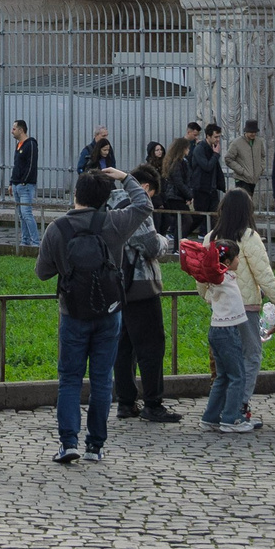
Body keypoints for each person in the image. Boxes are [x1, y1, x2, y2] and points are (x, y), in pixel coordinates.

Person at [38, 166, 153, 464]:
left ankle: (68, 443)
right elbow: (144, 205)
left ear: (76, 193)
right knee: (102, 380)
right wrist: (125, 177)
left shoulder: (57, 228)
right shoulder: (114, 222)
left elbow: (42, 272)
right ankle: (95, 446)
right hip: (109, 312)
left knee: (69, 379)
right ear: (105, 198)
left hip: (72, 313)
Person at [193, 188, 275, 432]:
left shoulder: (210, 237)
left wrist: (208, 296)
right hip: (247, 308)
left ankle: (218, 411)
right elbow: (263, 273)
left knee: (224, 365)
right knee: (250, 356)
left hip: (221, 310)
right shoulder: (250, 237)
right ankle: (238, 409)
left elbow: (201, 274)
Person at [113, 163, 178, 423]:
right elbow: (151, 245)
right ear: (145, 187)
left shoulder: (111, 203)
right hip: (140, 286)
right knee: (151, 346)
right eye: (151, 195)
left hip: (118, 286)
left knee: (124, 346)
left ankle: (126, 401)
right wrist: (166, 240)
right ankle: (153, 403)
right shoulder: (135, 207)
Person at [9, 120, 40, 247]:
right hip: (17, 184)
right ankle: (25, 240)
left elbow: (31, 165)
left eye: (14, 129)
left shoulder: (30, 144)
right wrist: (11, 182)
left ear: (21, 130)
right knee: (22, 215)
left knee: (27, 213)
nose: (12, 131)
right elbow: (17, 165)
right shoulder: (19, 145)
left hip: (25, 185)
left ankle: (35, 242)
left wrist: (24, 181)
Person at [225, 118, 269, 205]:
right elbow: (228, 158)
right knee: (243, 203)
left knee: (248, 203)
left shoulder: (259, 142)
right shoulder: (237, 143)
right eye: (251, 132)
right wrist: (241, 171)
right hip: (242, 179)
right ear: (246, 131)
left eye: (254, 132)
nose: (253, 134)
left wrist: (261, 168)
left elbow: (263, 156)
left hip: (253, 179)